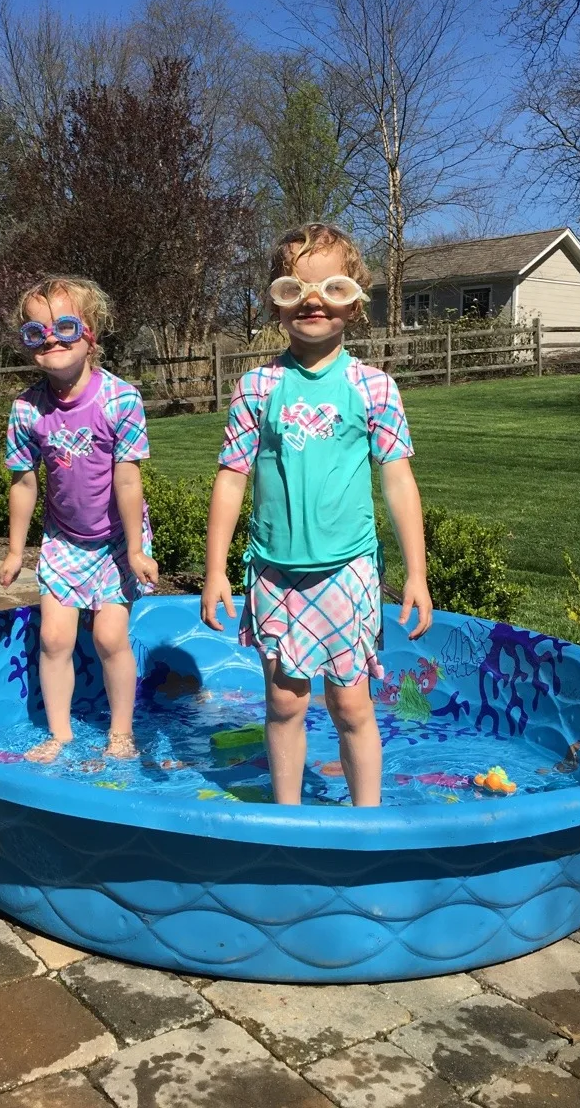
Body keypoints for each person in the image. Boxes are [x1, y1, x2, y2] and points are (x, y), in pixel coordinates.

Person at [201, 223, 433, 807]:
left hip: (346, 569)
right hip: (275, 570)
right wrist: (214, 570)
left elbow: (398, 480)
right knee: (282, 702)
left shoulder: (373, 387)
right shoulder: (257, 387)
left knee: (351, 703)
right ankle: (287, 819)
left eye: (331, 288)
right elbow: (232, 478)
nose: (312, 301)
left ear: (356, 302)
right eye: (295, 288)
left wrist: (417, 573)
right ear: (276, 301)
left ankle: (368, 822)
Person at [0, 275, 158, 763]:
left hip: (115, 539)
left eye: (64, 326)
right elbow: (25, 484)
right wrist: (14, 549)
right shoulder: (27, 410)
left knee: (110, 637)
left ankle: (122, 733)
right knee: (53, 637)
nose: (50, 338)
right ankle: (61, 733)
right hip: (64, 540)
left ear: (91, 334)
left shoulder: (119, 399)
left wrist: (134, 549)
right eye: (36, 330)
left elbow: (128, 481)